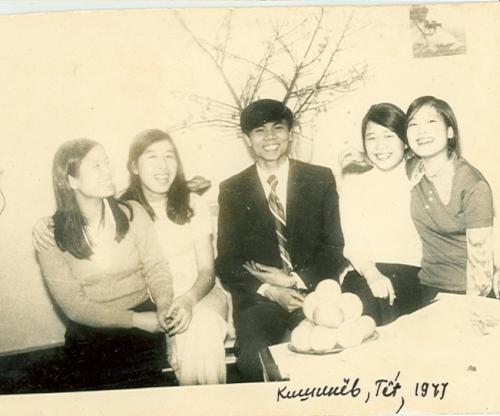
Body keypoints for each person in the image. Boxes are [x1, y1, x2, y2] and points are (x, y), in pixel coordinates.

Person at [215, 98, 347, 382]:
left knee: (328, 359)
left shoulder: (319, 178)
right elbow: (227, 262)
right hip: (259, 300)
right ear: (247, 139)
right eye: (259, 130)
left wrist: (294, 280)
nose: (270, 137)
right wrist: (271, 290)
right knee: (254, 360)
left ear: (290, 133)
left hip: (314, 291)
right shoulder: (232, 189)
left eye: (278, 128)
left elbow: (334, 248)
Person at [36, 139, 173, 389]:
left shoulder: (133, 213)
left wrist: (163, 305)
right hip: (90, 336)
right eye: (96, 165)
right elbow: (74, 306)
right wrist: (136, 320)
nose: (107, 171)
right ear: (72, 181)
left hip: (145, 330)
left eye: (107, 163)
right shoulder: (50, 235)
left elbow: (157, 267)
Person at [120, 129, 228, 385]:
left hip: (201, 294)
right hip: (153, 304)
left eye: (169, 156)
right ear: (134, 166)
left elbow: (207, 271)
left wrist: (188, 301)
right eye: (152, 157)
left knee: (202, 327)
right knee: (191, 339)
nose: (163, 166)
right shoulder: (123, 212)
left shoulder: (192, 203)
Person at [405, 96, 495, 303]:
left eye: (431, 121)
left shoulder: (472, 184)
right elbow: (386, 156)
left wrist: (469, 308)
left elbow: (481, 264)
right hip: (427, 286)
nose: (421, 131)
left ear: (450, 132)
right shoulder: (412, 169)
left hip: (466, 292)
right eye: (413, 124)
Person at [339, 103, 423, 325]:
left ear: (405, 140)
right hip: (368, 273)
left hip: (415, 276)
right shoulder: (354, 186)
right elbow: (355, 245)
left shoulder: (420, 179)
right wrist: (372, 275)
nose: (380, 146)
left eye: (388, 136)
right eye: (371, 138)